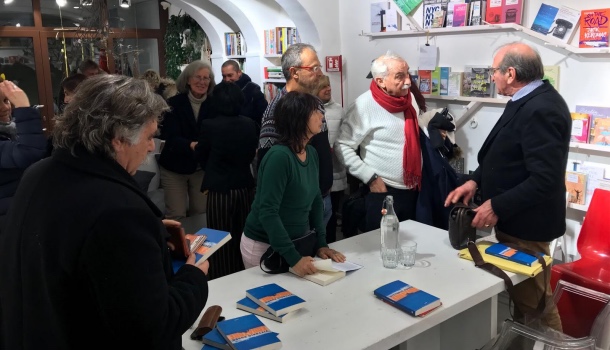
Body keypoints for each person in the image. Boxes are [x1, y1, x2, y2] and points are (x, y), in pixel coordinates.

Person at [0, 74, 210, 349]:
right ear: (118, 140)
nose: (150, 147)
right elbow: (153, 325)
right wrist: (193, 276)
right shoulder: (118, 211)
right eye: (149, 136)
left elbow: (76, 255)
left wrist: (150, 237)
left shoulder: (40, 173)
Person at [445, 42, 570, 331]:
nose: (492, 77)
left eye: (495, 71)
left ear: (511, 73)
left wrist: (497, 205)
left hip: (528, 228)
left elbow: (544, 179)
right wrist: (476, 181)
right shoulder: (527, 99)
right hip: (516, 224)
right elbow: (506, 157)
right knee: (525, 302)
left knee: (535, 305)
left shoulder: (542, 108)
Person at [241, 92, 345, 276]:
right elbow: (268, 211)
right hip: (265, 247)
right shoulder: (279, 157)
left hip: (293, 243)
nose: (322, 116)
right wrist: (294, 258)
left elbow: (315, 201)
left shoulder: (311, 153)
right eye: (316, 111)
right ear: (299, 118)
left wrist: (321, 244)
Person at [335, 52, 421, 233]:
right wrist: (370, 178)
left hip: (414, 189)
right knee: (380, 249)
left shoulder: (409, 98)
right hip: (383, 192)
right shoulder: (363, 105)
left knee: (410, 244)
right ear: (380, 81)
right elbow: (342, 146)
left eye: (408, 74)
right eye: (399, 76)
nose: (408, 81)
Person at [258, 43, 333, 231]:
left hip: (321, 197)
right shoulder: (277, 110)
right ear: (295, 72)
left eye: (319, 67)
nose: (320, 73)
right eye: (314, 68)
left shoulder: (315, 102)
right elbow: (267, 165)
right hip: (297, 208)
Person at [195, 81, 258, 279]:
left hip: (219, 188)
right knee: (243, 236)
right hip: (245, 185)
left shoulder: (209, 125)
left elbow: (202, 155)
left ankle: (222, 278)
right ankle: (243, 275)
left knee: (220, 239)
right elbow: (250, 155)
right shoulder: (250, 124)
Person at [158, 60, 214, 219]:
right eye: (198, 77)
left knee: (201, 213)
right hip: (174, 168)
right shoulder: (174, 104)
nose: (202, 82)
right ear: (188, 80)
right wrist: (191, 145)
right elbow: (169, 136)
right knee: (176, 214)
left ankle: (200, 244)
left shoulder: (214, 104)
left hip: (200, 169)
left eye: (206, 78)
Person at [0, 78, 47, 225]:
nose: (5, 108)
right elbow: (29, 152)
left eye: (6, 101)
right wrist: (23, 107)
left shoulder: (11, 131)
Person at [314, 75, 346, 242]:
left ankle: (331, 243)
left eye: (328, 85)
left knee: (332, 212)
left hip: (335, 168)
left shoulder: (339, 110)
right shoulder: (310, 110)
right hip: (318, 172)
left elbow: (345, 137)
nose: (328, 89)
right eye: (322, 86)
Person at [221, 60, 268, 129]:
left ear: (239, 72)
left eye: (230, 75)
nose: (227, 79)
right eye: (224, 76)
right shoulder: (220, 90)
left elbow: (264, 116)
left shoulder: (253, 90)